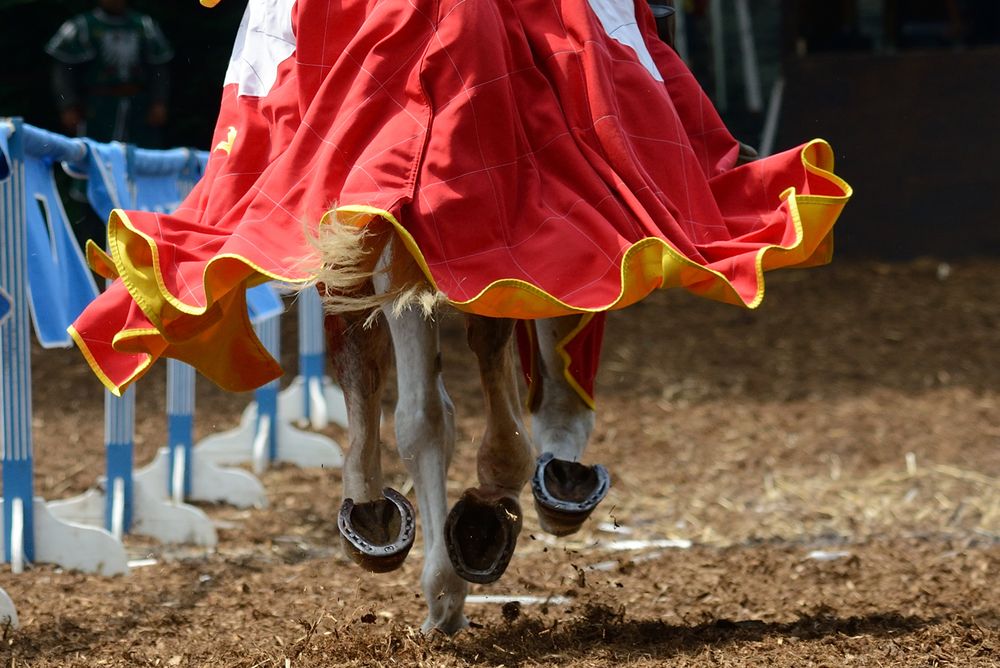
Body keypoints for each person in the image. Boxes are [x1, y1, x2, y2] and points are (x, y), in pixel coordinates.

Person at [45, 0, 173, 147]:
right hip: (97, 107)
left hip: (138, 107)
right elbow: (63, 71)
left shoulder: (144, 25)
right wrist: (68, 105)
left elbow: (159, 69)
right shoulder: (82, 26)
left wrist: (159, 102)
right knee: (96, 153)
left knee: (142, 155)